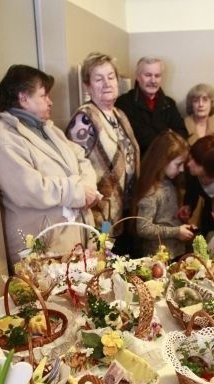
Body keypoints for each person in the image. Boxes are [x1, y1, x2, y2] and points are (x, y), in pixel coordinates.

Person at [0, 65, 99, 266]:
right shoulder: (5, 137)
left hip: (74, 233)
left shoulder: (49, 130)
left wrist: (88, 189)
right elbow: (29, 189)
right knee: (49, 295)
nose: (50, 102)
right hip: (43, 241)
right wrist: (77, 191)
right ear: (23, 98)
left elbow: (82, 159)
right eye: (43, 96)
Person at [65, 52, 140, 255]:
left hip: (124, 211)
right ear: (88, 86)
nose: (107, 83)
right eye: (98, 79)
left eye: (110, 77)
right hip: (102, 217)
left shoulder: (119, 113)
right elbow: (74, 168)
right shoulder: (84, 119)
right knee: (105, 258)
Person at [132, 131, 195, 259]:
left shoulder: (170, 183)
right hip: (159, 258)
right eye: (178, 164)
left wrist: (182, 222)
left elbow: (165, 219)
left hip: (175, 253)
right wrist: (176, 232)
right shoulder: (151, 192)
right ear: (162, 161)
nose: (182, 169)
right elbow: (144, 228)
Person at [115, 57, 188, 153]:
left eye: (157, 76)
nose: (153, 80)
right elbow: (134, 138)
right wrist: (167, 133)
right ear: (138, 76)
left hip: (168, 161)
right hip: (140, 163)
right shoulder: (124, 103)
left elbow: (182, 133)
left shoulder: (169, 103)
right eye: (148, 75)